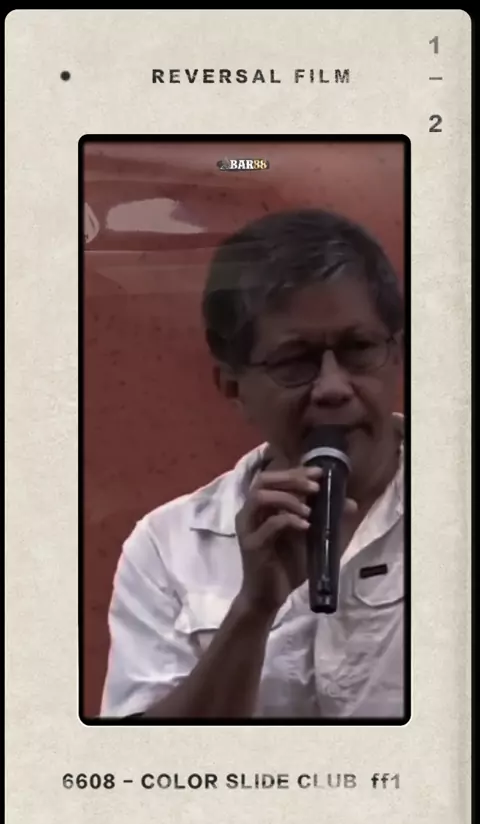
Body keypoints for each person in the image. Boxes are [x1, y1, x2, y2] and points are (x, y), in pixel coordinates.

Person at [99, 208, 405, 720]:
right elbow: (139, 760)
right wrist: (253, 610)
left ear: (398, 354)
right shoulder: (167, 546)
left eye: (358, 349)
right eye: (294, 361)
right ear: (233, 387)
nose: (333, 388)